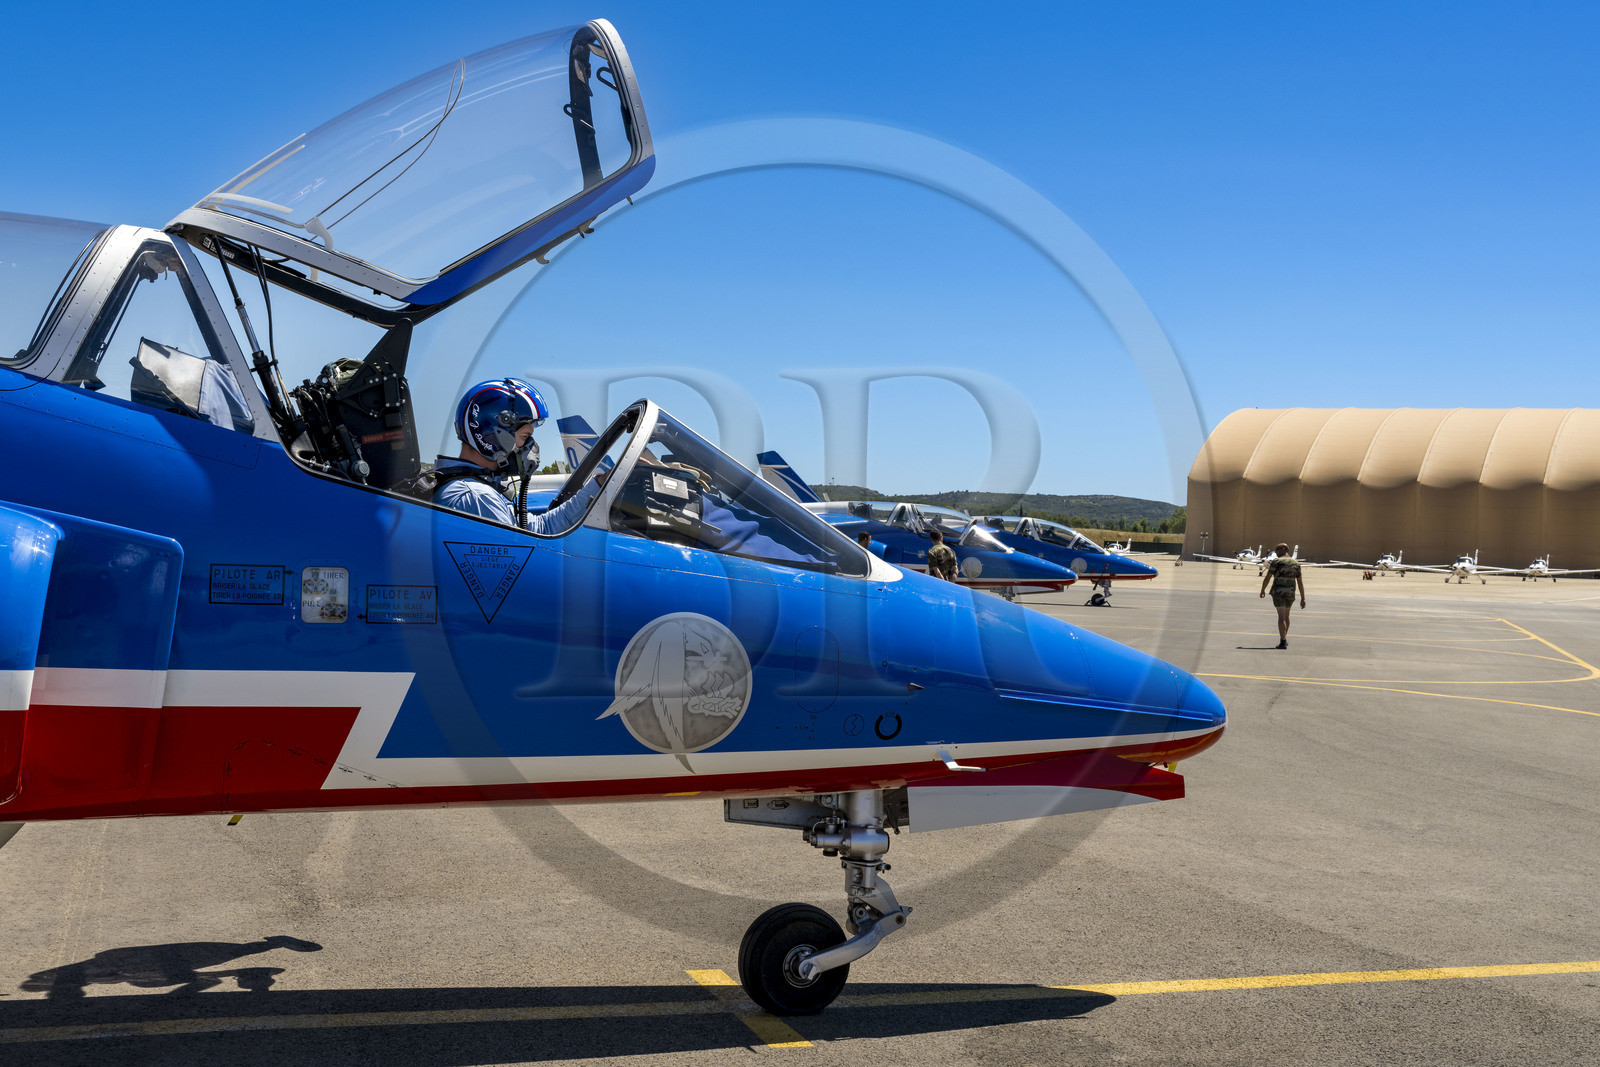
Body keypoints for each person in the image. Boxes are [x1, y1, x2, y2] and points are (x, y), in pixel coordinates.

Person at [430, 379, 601, 533]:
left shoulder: (479, 490)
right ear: (494, 436)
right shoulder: (477, 498)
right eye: (525, 437)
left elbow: (543, 527)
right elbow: (522, 559)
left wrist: (600, 484)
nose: (528, 447)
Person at [1259, 541, 1306, 648]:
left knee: (1281, 617)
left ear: (1283, 550)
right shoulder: (1296, 563)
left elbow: (1268, 577)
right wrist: (1303, 598)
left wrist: (1263, 590)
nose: (1276, 551)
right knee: (1287, 616)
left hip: (1278, 592)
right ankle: (1284, 638)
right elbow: (1300, 582)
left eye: (1277, 549)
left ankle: (1283, 640)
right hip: (1290, 592)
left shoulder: (1276, 562)